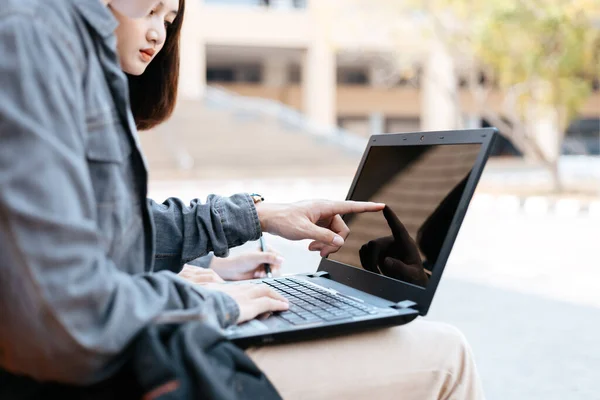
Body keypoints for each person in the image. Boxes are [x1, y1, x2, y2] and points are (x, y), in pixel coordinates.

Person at [0, 0, 485, 398]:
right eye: (151, 13)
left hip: (129, 348)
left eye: (168, 19)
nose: (159, 34)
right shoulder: (35, 36)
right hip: (127, 369)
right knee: (446, 353)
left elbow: (98, 231)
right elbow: (62, 313)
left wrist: (257, 217)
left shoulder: (62, 35)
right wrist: (205, 300)